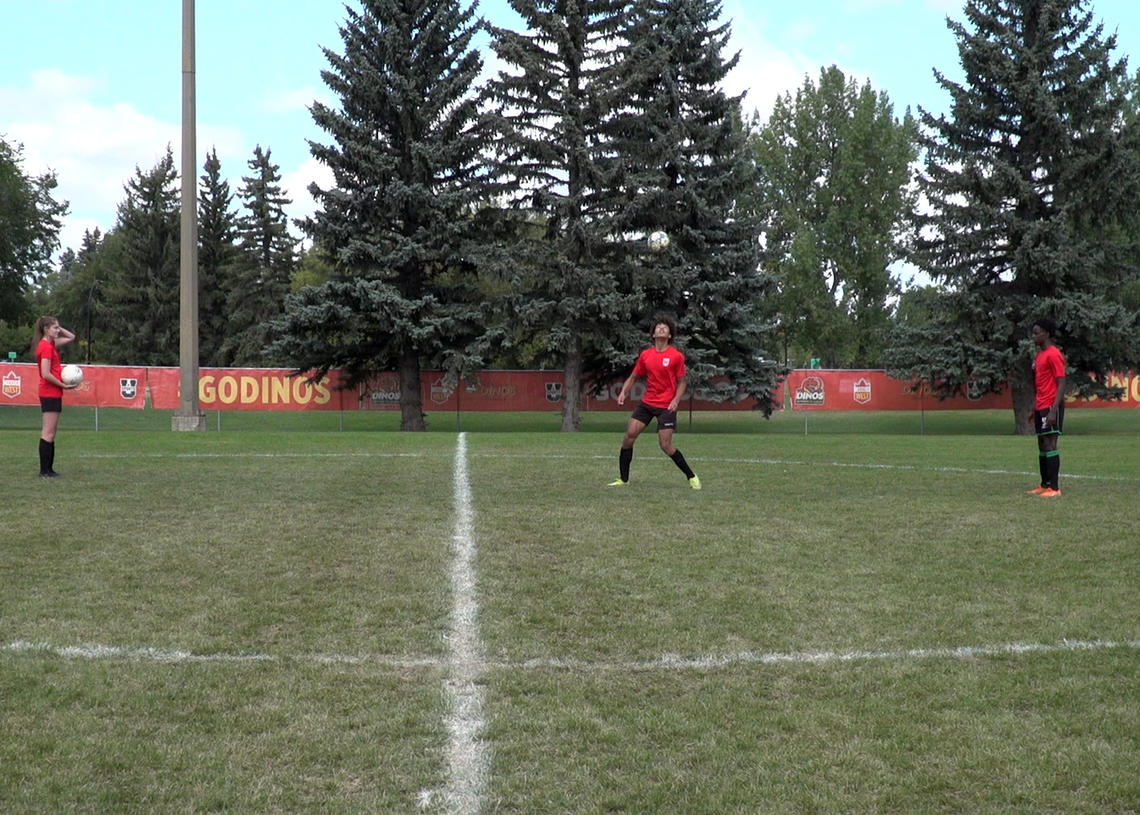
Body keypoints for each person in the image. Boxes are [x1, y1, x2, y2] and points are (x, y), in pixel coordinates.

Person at [609, 316, 701, 490]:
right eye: (658, 327)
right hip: (648, 403)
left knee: (665, 445)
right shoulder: (646, 355)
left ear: (669, 335)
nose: (660, 329)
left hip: (667, 405)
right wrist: (624, 391)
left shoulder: (676, 356)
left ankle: (692, 476)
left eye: (664, 328)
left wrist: (675, 400)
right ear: (653, 334)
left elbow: (682, 382)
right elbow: (634, 376)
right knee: (628, 436)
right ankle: (623, 479)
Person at [34, 316, 77, 478]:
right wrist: (63, 385)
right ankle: (45, 471)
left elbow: (71, 337)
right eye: (55, 328)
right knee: (48, 432)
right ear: (45, 329)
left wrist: (58, 328)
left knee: (51, 432)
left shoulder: (50, 343)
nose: (58, 330)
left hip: (53, 391)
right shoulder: (45, 347)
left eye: (58, 328)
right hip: (49, 392)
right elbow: (45, 373)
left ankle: (48, 470)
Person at [1027, 318, 1065, 497]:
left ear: (1046, 334)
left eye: (1037, 333)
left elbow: (1062, 382)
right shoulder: (1039, 355)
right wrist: (1033, 407)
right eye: (1033, 333)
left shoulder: (1053, 354)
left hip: (1051, 405)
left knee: (1050, 443)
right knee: (1042, 444)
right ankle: (1045, 484)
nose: (1033, 336)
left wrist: (1053, 410)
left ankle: (1055, 488)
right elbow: (1040, 384)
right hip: (1040, 405)